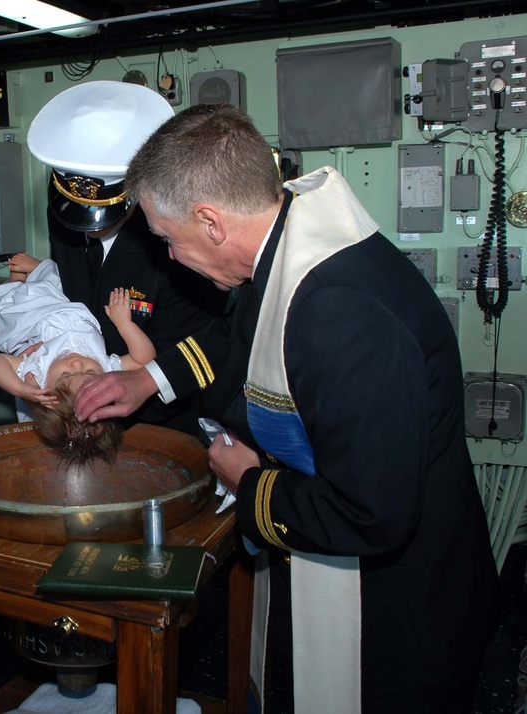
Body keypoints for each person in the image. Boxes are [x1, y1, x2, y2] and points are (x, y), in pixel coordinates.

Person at [74, 104, 500, 712]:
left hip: (398, 626)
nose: (168, 256)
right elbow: (235, 338)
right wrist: (150, 380)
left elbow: (372, 514)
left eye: (168, 238)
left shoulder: (339, 310)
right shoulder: (281, 245)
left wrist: (248, 483)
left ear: (211, 222)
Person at [26, 80, 230, 435]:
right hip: (77, 411)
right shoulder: (65, 220)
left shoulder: (172, 244)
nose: (88, 230)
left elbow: (202, 340)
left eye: (101, 216)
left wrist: (143, 382)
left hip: (160, 415)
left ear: (136, 195)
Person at [0, 253, 155, 462]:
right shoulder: (108, 368)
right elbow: (144, 361)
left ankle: (17, 278)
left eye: (66, 374)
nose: (77, 362)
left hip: (25, 317)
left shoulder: (38, 372)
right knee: (58, 284)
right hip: (66, 309)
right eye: (90, 372)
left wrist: (19, 387)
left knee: (15, 297)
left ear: (46, 388)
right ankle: (39, 270)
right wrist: (125, 324)